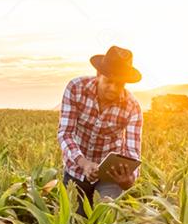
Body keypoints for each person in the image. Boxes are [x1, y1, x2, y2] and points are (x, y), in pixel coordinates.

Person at [57, 45, 143, 209]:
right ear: (98, 75)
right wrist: (84, 163)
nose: (113, 88)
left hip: (110, 177)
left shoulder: (132, 107)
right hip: (76, 170)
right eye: (109, 81)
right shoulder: (76, 88)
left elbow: (133, 151)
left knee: (104, 219)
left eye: (119, 84)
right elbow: (65, 133)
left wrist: (129, 179)